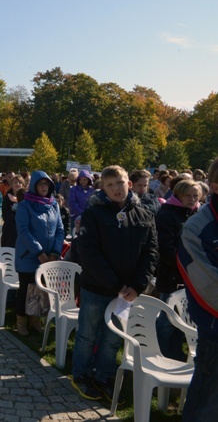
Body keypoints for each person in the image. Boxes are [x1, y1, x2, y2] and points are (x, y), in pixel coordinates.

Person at [71, 165, 158, 402]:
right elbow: (88, 254)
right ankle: (81, 375)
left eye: (119, 183)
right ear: (103, 189)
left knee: (112, 338)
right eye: (109, 185)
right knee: (88, 334)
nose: (115, 189)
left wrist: (138, 286)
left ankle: (104, 377)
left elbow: (151, 252)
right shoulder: (93, 214)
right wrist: (115, 284)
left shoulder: (144, 214)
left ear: (129, 184)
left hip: (127, 293)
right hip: (97, 288)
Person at [178, 157, 218, 421]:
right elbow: (207, 284)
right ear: (215, 185)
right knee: (207, 400)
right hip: (214, 329)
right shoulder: (196, 227)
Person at [14, 171, 65, 336]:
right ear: (35, 185)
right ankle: (20, 320)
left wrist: (55, 252)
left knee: (41, 290)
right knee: (26, 288)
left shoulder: (53, 205)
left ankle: (35, 319)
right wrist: (39, 252)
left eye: (47, 184)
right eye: (41, 184)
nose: (44, 187)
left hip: (48, 257)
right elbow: (23, 231)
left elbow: (59, 229)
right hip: (28, 257)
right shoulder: (25, 205)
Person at [155, 179, 201, 361]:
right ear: (178, 195)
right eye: (188, 195)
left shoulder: (197, 215)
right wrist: (188, 264)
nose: (192, 199)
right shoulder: (167, 214)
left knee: (183, 321)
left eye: (196, 196)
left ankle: (175, 356)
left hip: (193, 277)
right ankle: (159, 355)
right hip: (171, 276)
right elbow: (166, 249)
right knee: (167, 321)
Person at [0, 174, 25, 247]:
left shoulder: (26, 197)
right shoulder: (7, 197)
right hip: (10, 229)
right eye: (15, 182)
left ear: (23, 185)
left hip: (22, 229)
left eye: (20, 182)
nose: (17, 184)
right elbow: (5, 215)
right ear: (12, 184)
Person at [68, 170, 94, 234]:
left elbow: (93, 203)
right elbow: (72, 203)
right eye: (81, 179)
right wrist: (81, 213)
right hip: (76, 216)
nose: (83, 181)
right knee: (76, 236)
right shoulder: (73, 189)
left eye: (85, 179)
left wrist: (87, 213)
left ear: (88, 180)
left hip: (89, 217)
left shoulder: (92, 190)